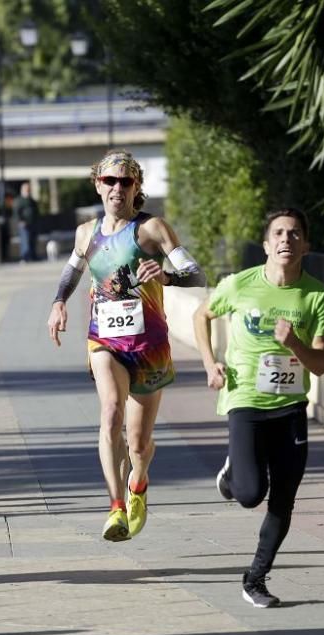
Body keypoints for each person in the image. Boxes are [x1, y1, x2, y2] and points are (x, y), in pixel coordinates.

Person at [47, 149, 207, 542]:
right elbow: (72, 271)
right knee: (110, 412)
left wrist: (166, 277)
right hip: (104, 340)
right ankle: (115, 508)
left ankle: (138, 484)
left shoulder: (152, 229)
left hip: (148, 345)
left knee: (138, 443)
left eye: (126, 181)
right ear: (98, 186)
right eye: (109, 181)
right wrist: (58, 303)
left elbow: (197, 274)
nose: (117, 188)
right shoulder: (87, 233)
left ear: (137, 188)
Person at [192, 208, 324, 608]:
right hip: (245, 400)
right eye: (278, 234)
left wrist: (294, 344)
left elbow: (321, 365)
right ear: (266, 245)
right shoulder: (239, 285)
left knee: (284, 499)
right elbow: (201, 314)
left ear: (306, 245)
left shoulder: (316, 295)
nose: (286, 240)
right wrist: (210, 363)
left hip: (291, 407)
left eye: (294, 234)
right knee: (249, 494)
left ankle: (255, 579)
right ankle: (232, 474)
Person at [14, 182, 40, 262]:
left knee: (33, 240)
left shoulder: (31, 200)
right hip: (24, 224)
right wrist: (21, 221)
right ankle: (25, 257)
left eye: (29, 190)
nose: (28, 191)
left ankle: (33, 256)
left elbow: (36, 211)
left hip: (33, 223)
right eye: (26, 190)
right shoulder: (19, 200)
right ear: (22, 190)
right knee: (25, 241)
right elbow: (16, 212)